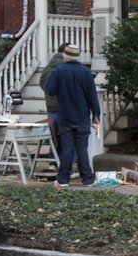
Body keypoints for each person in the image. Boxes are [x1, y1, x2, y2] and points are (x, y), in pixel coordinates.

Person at [44, 43, 100, 187]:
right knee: (82, 148)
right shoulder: (86, 72)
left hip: (65, 115)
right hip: (81, 116)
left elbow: (50, 90)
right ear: (77, 56)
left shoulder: (59, 71)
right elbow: (92, 96)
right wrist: (96, 115)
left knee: (67, 147)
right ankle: (87, 178)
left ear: (65, 56)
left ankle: (63, 179)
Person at [39, 41, 69, 167]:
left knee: (53, 138)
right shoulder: (66, 68)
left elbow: (42, 84)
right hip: (64, 107)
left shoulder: (47, 68)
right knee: (66, 138)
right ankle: (65, 166)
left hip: (50, 108)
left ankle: (52, 163)